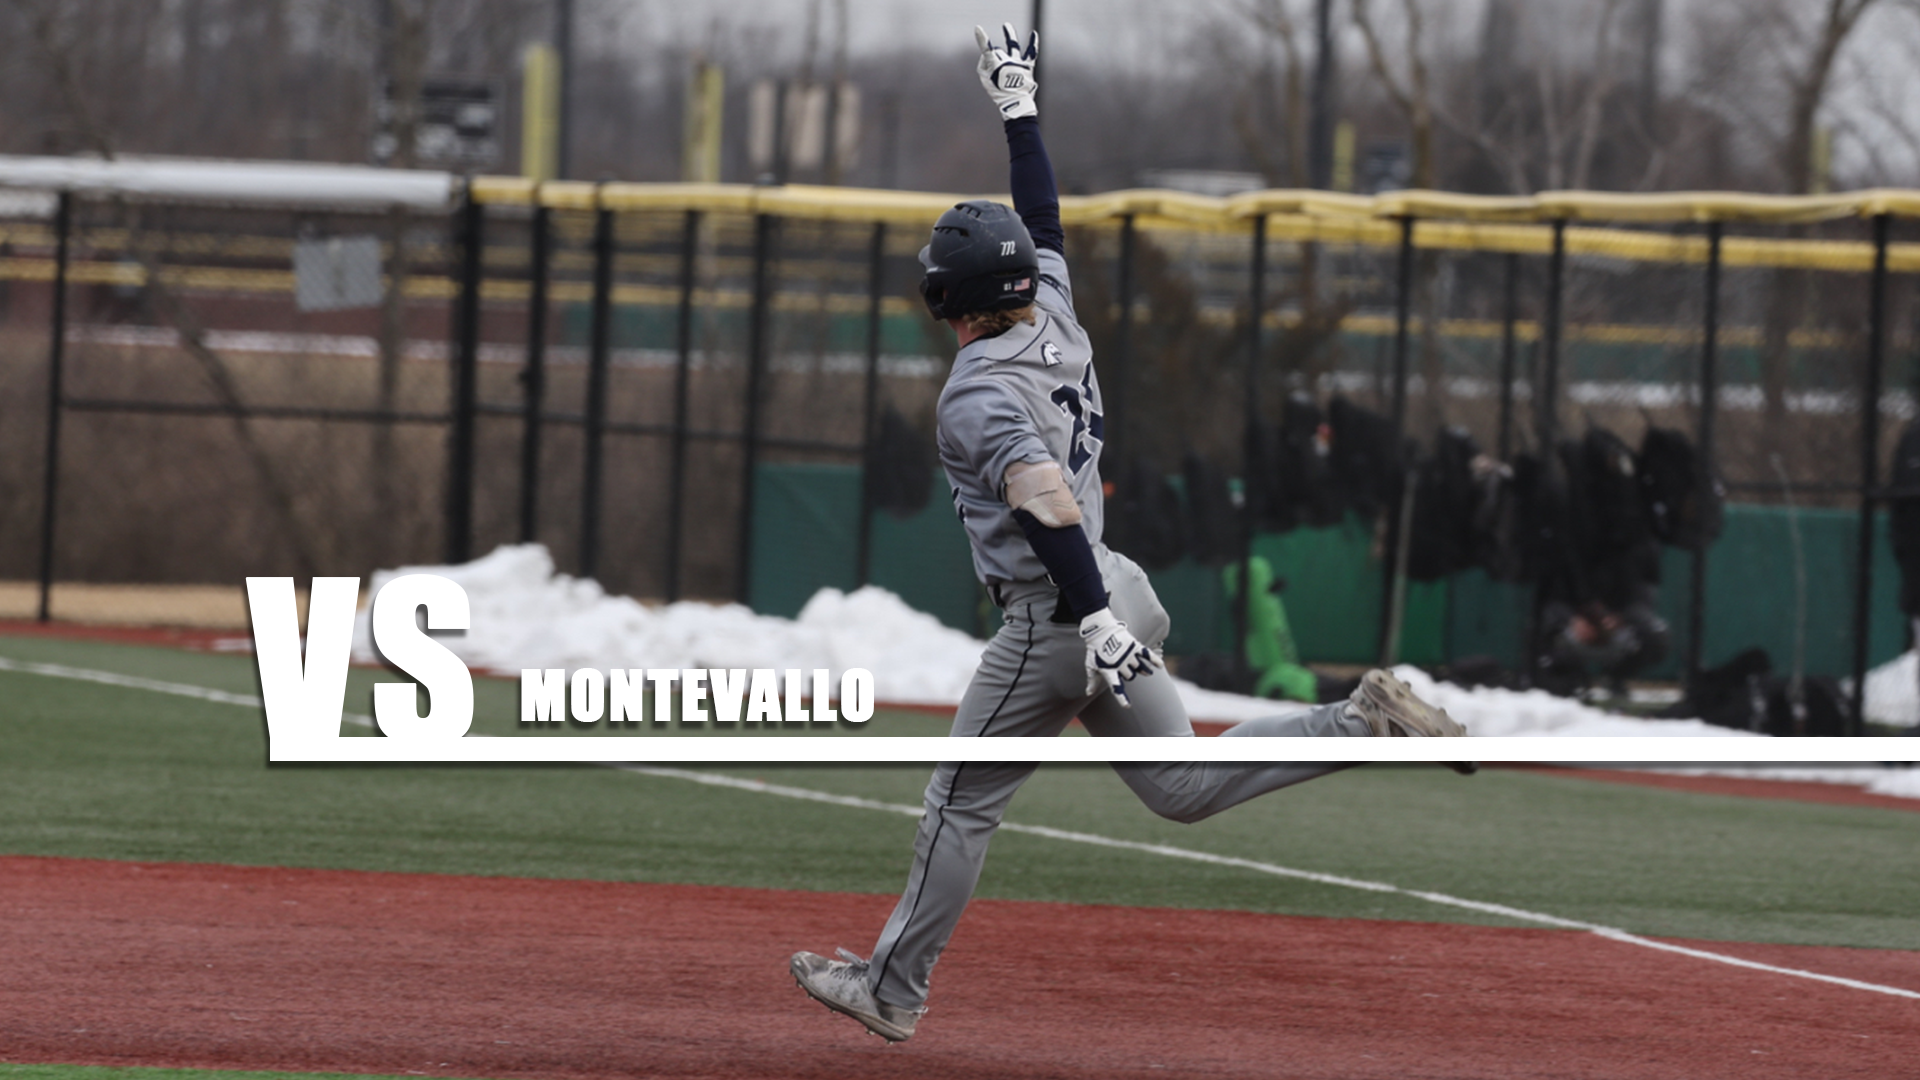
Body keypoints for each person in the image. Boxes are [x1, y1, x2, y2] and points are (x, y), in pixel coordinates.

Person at [788, 24, 1470, 1044]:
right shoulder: (1054, 307)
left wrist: (1094, 623)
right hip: (1113, 585)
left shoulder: (975, 393)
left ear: (950, 301)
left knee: (958, 804)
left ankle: (892, 987)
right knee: (1182, 785)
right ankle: (1360, 722)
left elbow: (1043, 503)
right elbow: (1045, 216)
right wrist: (1017, 104)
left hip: (1062, 616)